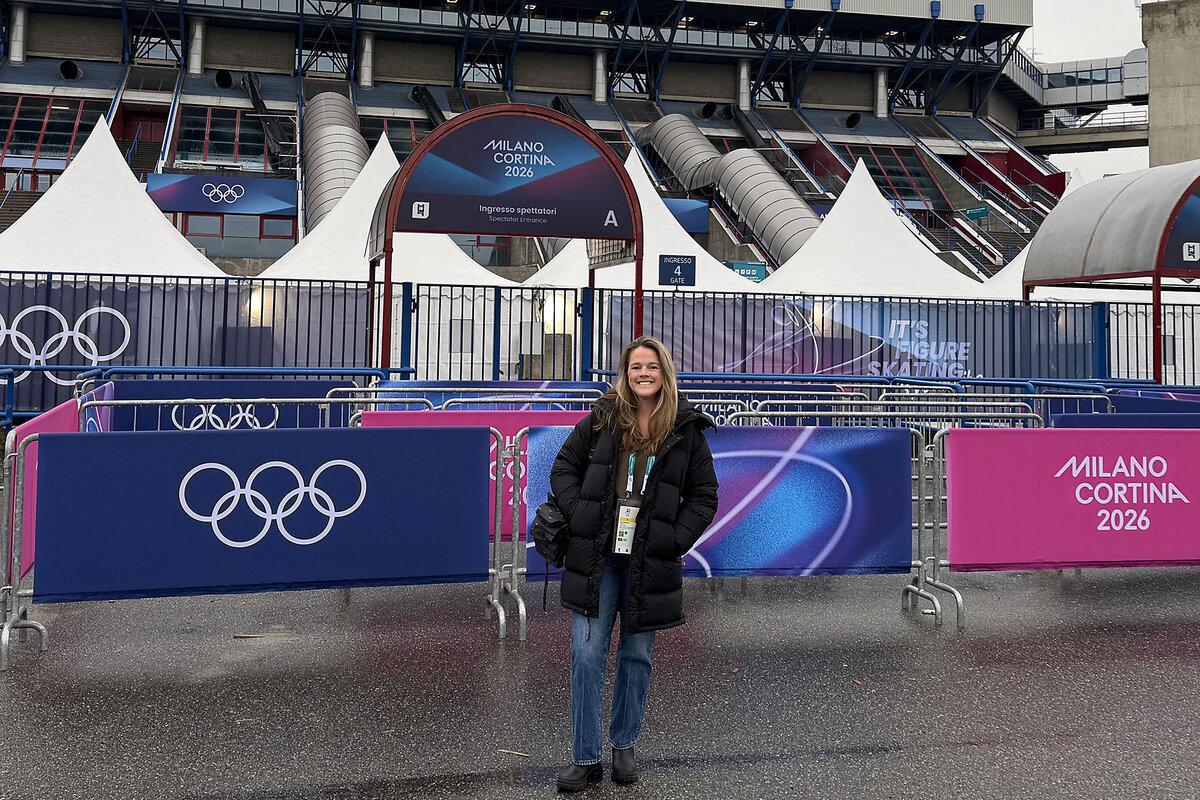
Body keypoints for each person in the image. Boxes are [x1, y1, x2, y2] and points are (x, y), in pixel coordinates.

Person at [549, 336, 719, 792]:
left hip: (648, 561)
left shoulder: (686, 428)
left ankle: (623, 745)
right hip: (598, 555)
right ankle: (585, 757)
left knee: (636, 654)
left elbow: (704, 496)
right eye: (634, 367)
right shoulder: (603, 416)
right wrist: (580, 510)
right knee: (586, 654)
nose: (643, 374)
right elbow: (563, 467)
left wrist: (675, 538)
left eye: (651, 367)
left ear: (664, 372)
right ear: (625, 374)